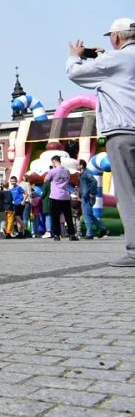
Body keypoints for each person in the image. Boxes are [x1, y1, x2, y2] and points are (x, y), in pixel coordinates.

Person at [66, 22, 135, 265]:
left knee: (128, 192)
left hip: (124, 131)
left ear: (115, 36)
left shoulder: (115, 60)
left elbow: (76, 74)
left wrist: (75, 57)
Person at [45, 155, 77, 241]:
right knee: (68, 216)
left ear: (54, 162)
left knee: (55, 216)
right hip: (65, 195)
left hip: (55, 196)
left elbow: (46, 180)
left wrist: (49, 172)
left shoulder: (53, 171)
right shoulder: (67, 171)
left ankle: (57, 235)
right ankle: (72, 234)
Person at [77, 160, 107, 239]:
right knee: (89, 214)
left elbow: (94, 181)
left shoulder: (86, 173)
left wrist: (92, 192)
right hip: (85, 196)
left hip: (87, 197)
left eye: (77, 164)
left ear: (81, 165)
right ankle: (103, 229)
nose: (76, 166)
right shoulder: (82, 174)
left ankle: (89, 233)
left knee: (87, 215)